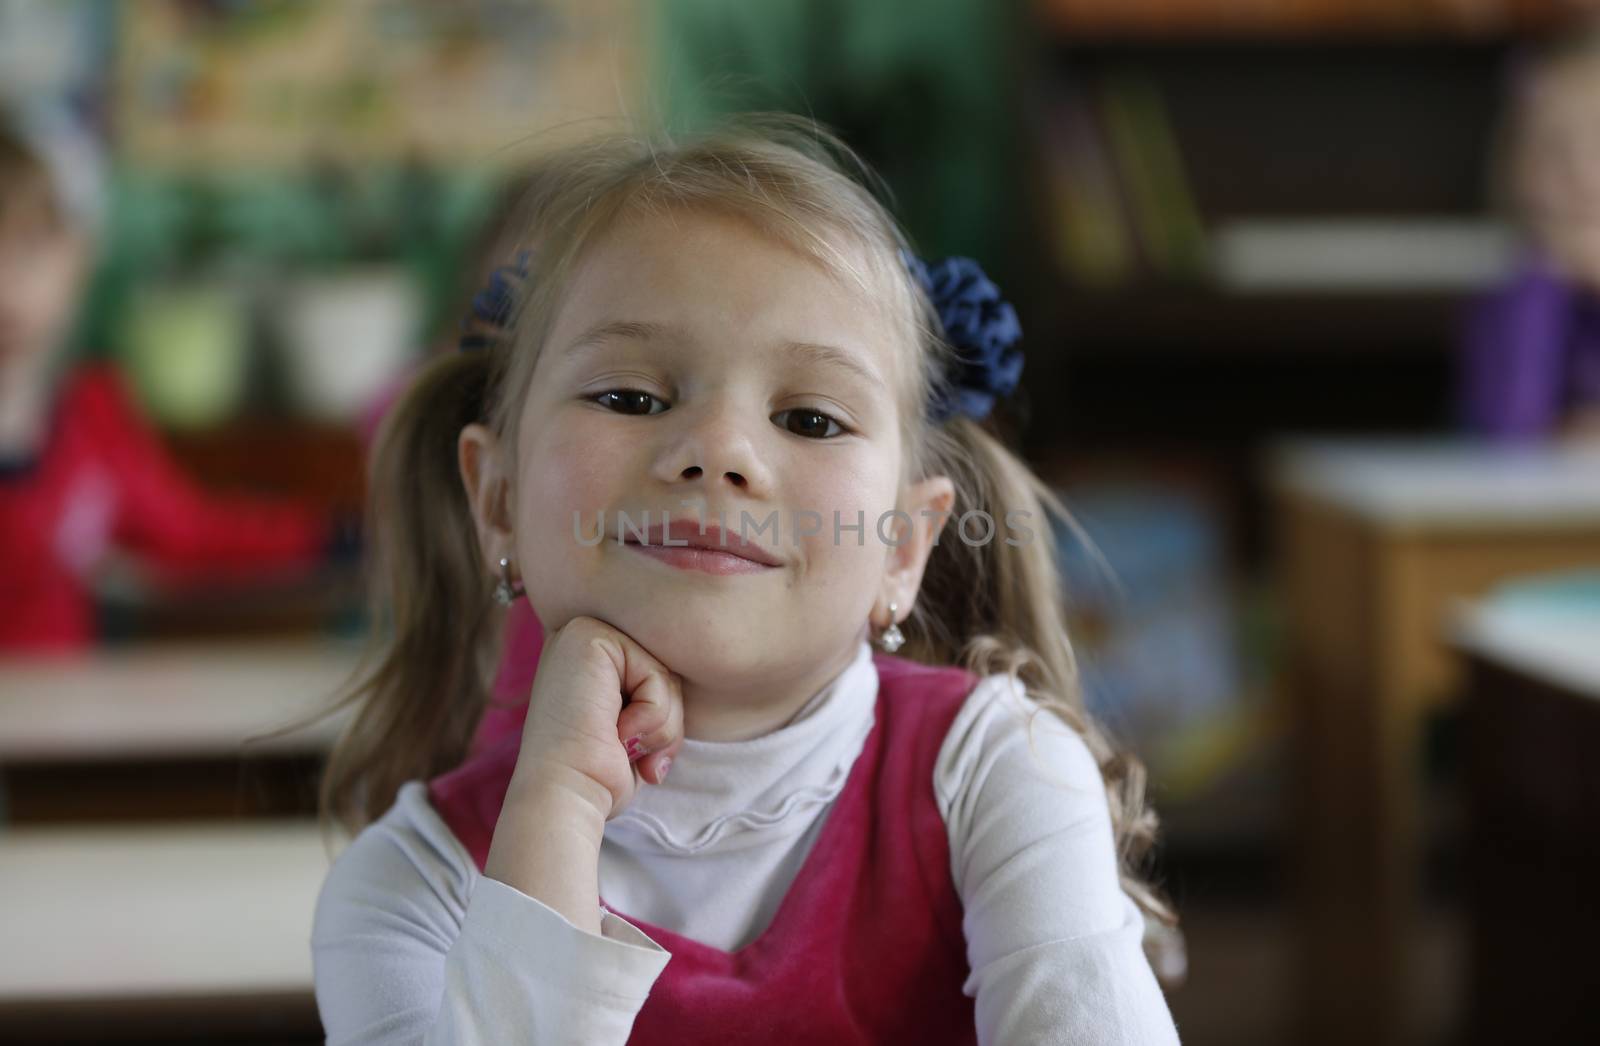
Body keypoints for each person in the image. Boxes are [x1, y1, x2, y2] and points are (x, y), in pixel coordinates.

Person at [311, 114, 1182, 1044]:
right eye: (631, 398)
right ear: (498, 502)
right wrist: (557, 807)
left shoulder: (1001, 776)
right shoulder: (407, 883)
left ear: (902, 549)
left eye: (809, 418)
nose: (718, 452)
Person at [0, 120, 345, 652]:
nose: (8, 282)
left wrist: (330, 538)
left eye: (27, 250)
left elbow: (188, 533)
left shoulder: (90, 414)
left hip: (63, 724)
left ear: (75, 261)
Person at [1459, 23, 1600, 442]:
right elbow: (1512, 424)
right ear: (1512, 169)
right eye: (1551, 149)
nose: (1580, 177)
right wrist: (1544, 282)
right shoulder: (1511, 286)